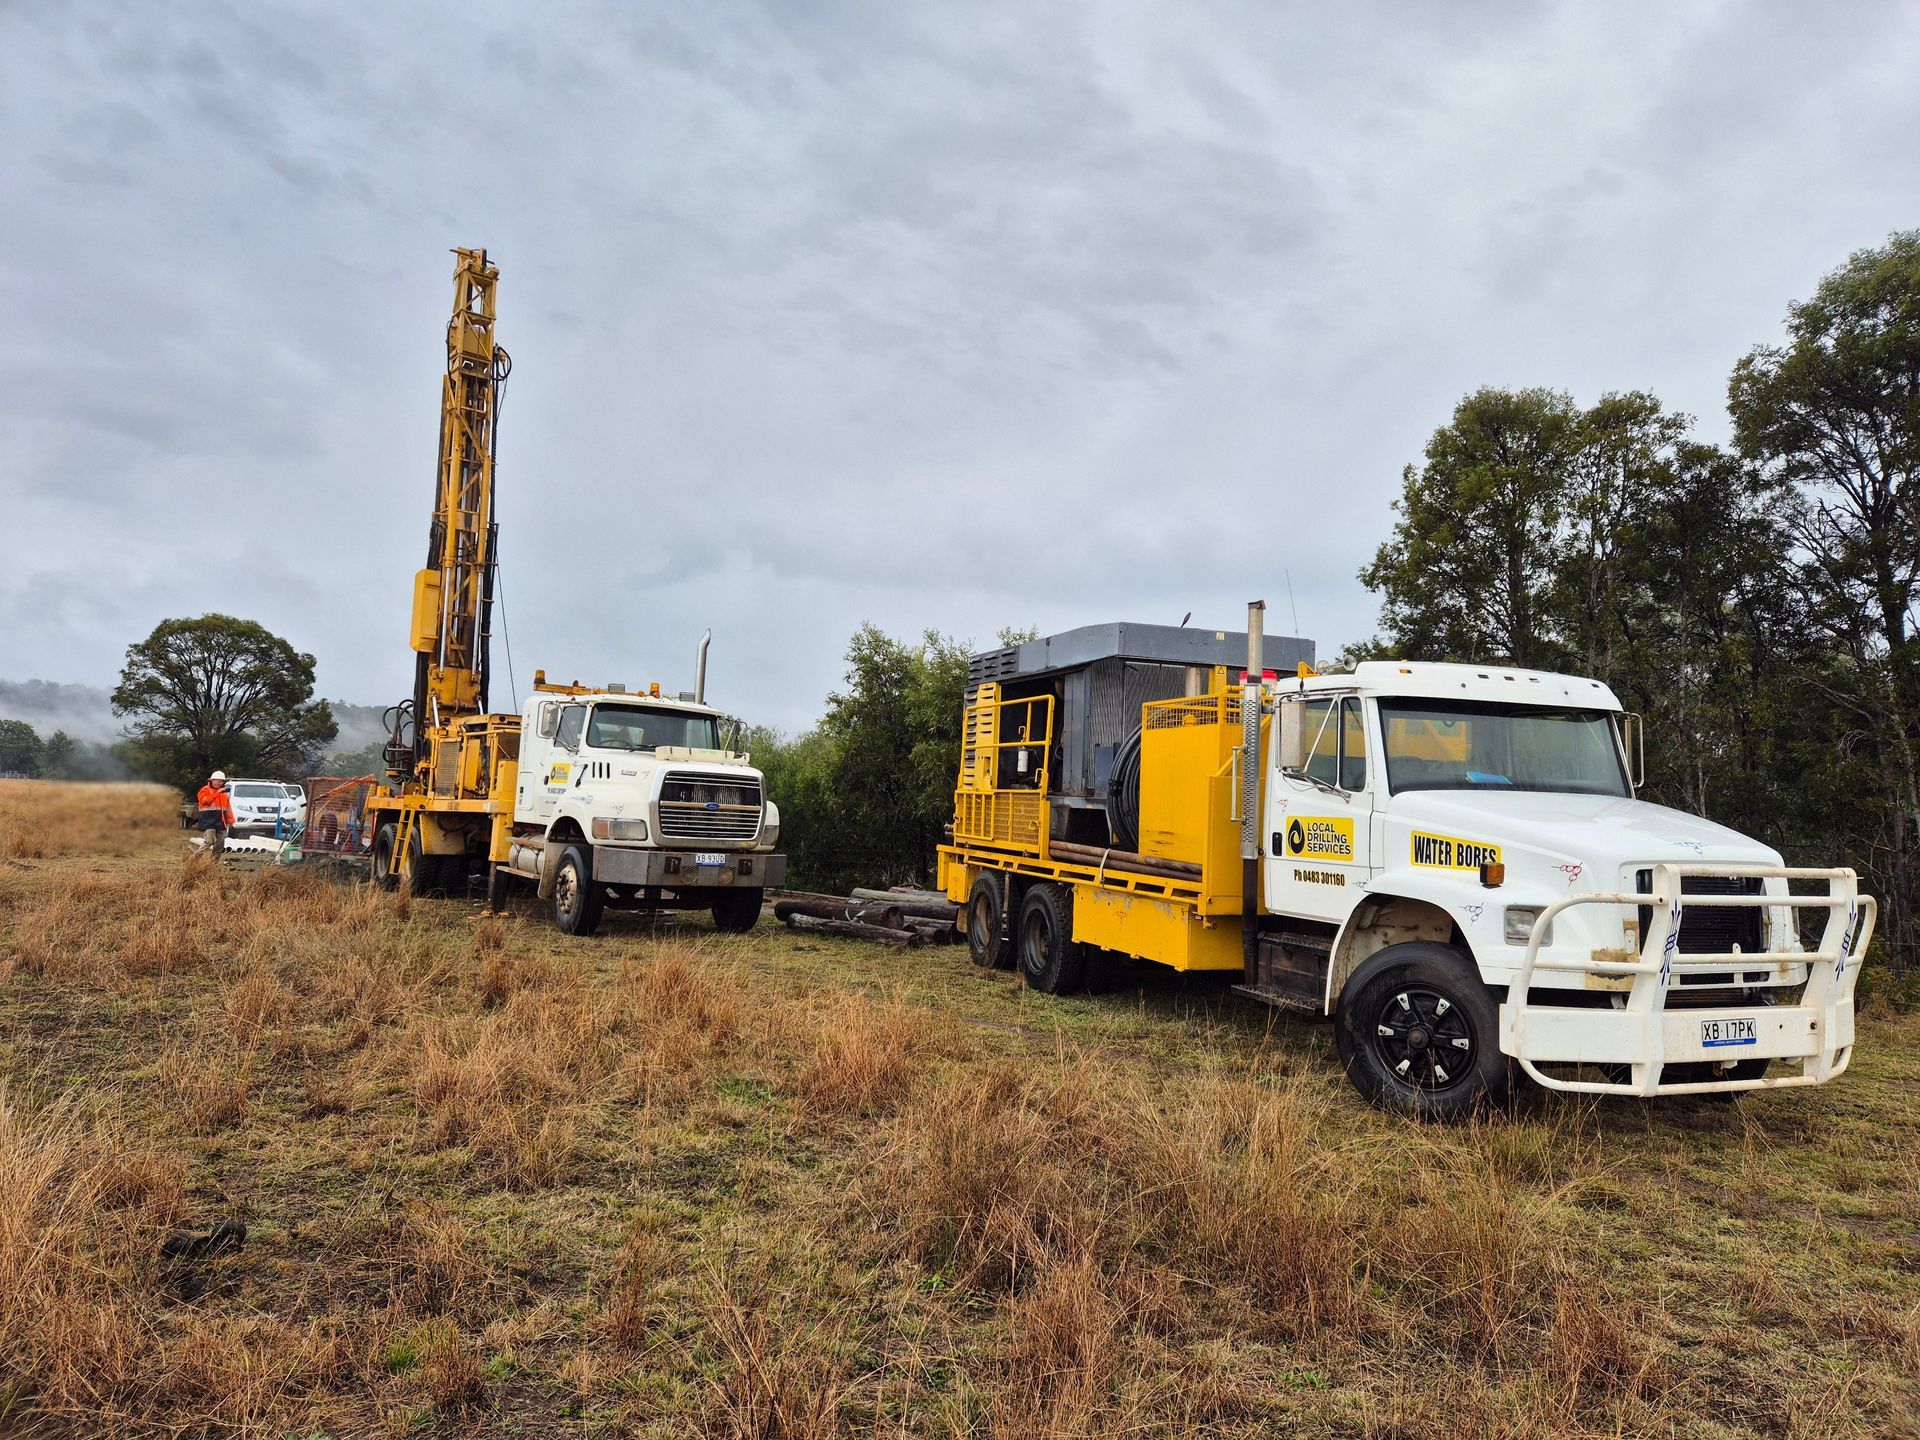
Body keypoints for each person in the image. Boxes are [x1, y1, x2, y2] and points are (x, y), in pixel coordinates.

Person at [196, 770, 236, 856]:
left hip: (220, 821)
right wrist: (217, 793)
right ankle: (194, 858)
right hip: (208, 820)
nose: (220, 783)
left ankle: (213, 863)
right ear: (212, 781)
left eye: (221, 781)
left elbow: (227, 809)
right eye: (218, 781)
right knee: (210, 841)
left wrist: (231, 821)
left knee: (220, 843)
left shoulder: (224, 794)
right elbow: (205, 801)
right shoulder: (204, 790)